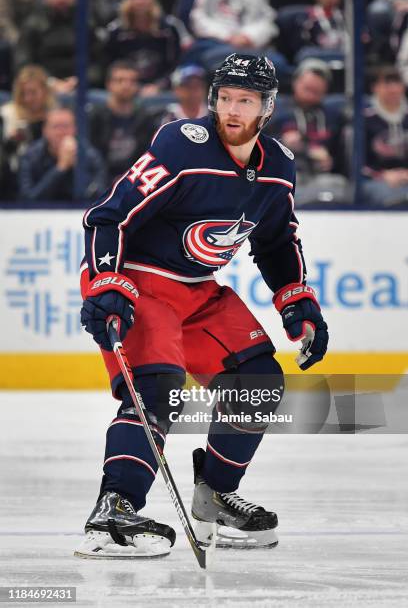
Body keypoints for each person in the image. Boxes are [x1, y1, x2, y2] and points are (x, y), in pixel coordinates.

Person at [76, 53, 329, 559]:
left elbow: (277, 242)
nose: (232, 111)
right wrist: (105, 281)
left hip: (195, 290)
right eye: (225, 98)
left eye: (246, 101)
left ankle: (215, 494)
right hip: (137, 281)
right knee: (157, 386)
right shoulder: (181, 144)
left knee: (259, 381)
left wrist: (298, 303)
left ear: (267, 107)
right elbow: (109, 217)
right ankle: (114, 509)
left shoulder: (279, 167)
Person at [266, 58, 347, 205]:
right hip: (284, 173)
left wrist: (331, 161)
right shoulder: (275, 109)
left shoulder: (333, 116)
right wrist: (280, 141)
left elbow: (341, 153)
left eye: (316, 91)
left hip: (321, 177)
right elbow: (254, 143)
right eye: (307, 89)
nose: (310, 96)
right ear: (296, 82)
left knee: (339, 186)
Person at [15, 0, 104, 94]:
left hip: (82, 88)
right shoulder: (32, 25)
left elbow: (99, 63)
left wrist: (80, 80)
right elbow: (23, 64)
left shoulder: (88, 22)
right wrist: (49, 82)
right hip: (42, 88)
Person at [105, 0, 190, 96]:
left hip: (165, 89)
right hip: (126, 88)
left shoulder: (170, 28)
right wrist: (132, 85)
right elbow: (111, 64)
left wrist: (159, 86)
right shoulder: (116, 31)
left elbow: (180, 63)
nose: (140, 1)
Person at [18, 106, 106, 203]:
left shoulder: (90, 155)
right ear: (45, 131)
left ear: (75, 129)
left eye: (66, 126)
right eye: (56, 127)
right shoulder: (30, 156)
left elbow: (98, 196)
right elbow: (28, 199)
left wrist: (77, 167)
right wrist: (60, 168)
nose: (61, 133)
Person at [88, 60, 157, 181]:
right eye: (119, 80)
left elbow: (149, 157)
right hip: (99, 182)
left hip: (135, 181)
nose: (126, 85)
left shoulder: (145, 119)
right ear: (108, 84)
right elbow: (90, 157)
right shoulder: (94, 118)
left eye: (132, 81)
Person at [0, 65, 56, 191]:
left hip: (51, 171)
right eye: (23, 93)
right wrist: (10, 143)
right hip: (14, 177)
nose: (27, 98)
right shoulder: (7, 114)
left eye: (33, 92)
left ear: (45, 91)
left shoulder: (56, 114)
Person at [362, 66, 408, 207]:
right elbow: (355, 162)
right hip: (375, 179)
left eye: (397, 83)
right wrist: (382, 175)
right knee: (391, 198)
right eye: (387, 83)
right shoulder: (364, 118)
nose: (393, 89)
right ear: (375, 87)